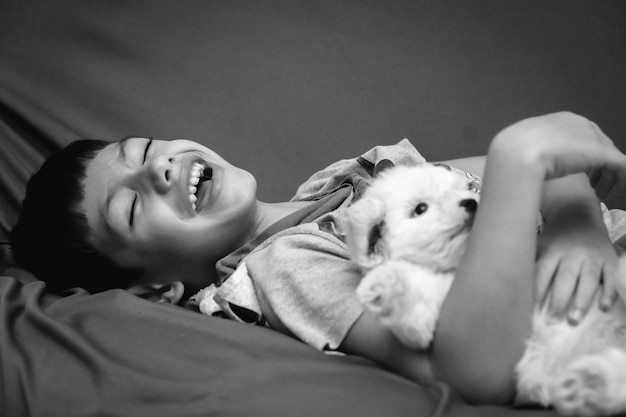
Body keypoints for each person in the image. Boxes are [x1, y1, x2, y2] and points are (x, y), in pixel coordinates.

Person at [10, 111, 626, 405]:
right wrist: (522, 154)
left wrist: (578, 231)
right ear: (158, 292)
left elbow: (563, 169)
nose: (159, 166)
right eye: (133, 208)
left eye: (143, 148)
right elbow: (474, 368)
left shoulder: (350, 175)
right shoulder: (281, 268)